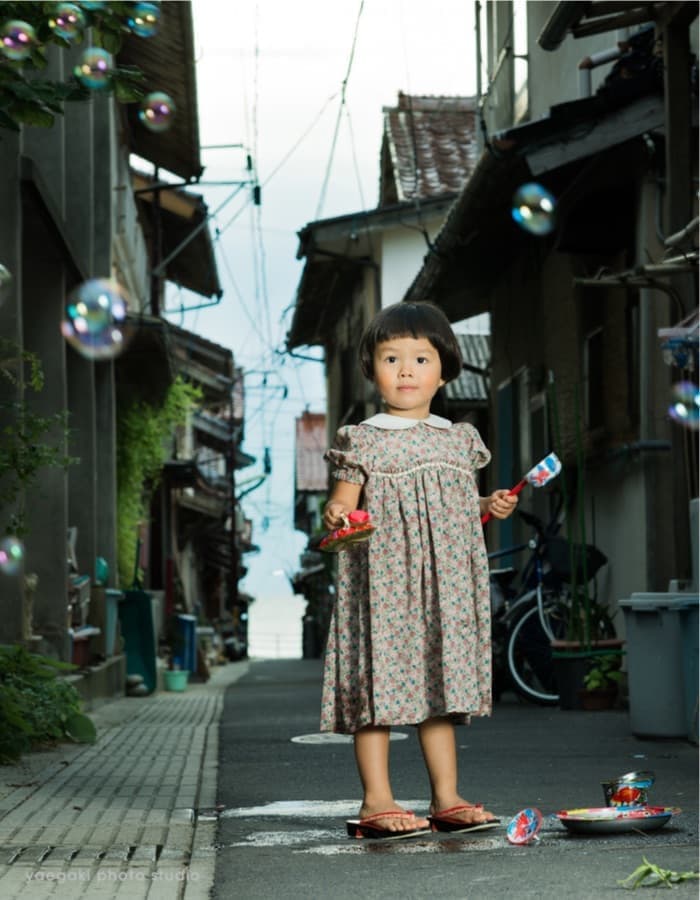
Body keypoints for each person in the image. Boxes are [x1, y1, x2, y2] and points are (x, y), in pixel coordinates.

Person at [321, 301, 518, 840]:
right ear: (372, 368)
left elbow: (454, 505)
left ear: (445, 369)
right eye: (391, 357)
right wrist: (338, 514)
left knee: (440, 687)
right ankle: (376, 800)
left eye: (421, 358)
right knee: (377, 687)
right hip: (384, 585)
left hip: (446, 585)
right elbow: (340, 505)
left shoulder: (458, 439)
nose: (406, 370)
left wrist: (487, 504)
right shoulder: (362, 438)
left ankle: (447, 798)